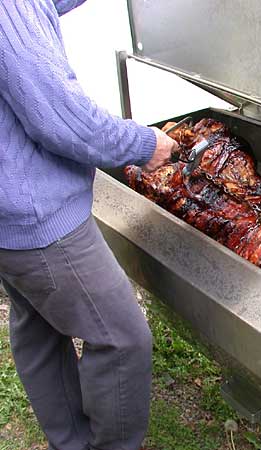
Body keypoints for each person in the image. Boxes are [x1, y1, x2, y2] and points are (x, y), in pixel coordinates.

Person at [0, 1, 179, 449]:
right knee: (123, 339)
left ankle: (71, 442)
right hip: (38, 218)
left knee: (37, 325)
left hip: (9, 217)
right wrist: (144, 144)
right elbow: (62, 119)